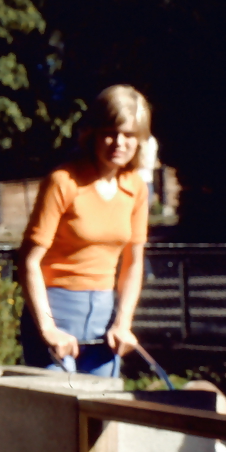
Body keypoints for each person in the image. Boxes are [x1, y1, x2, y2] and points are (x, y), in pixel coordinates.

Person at [18, 85, 151, 377]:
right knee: (56, 415)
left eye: (129, 135)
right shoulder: (63, 182)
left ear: (139, 140)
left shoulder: (136, 189)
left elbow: (134, 262)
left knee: (101, 411)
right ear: (92, 133)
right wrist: (48, 329)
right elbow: (29, 261)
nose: (119, 142)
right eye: (110, 132)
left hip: (104, 319)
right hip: (55, 311)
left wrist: (123, 323)